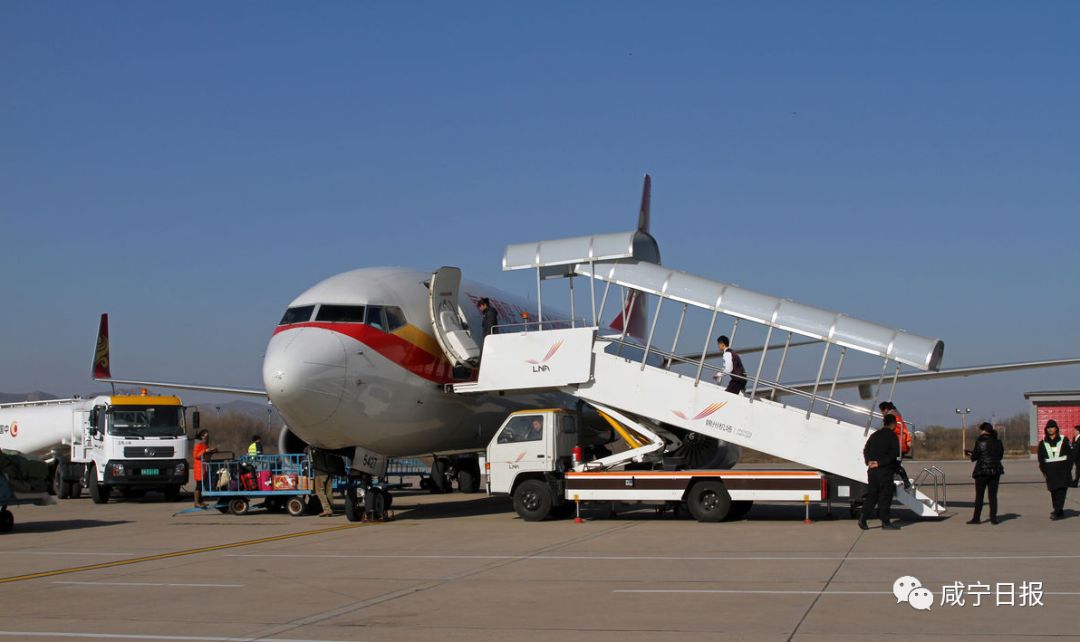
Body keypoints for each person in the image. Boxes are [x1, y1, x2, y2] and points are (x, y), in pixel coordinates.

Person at [860, 414, 901, 530]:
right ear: (893, 424)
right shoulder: (892, 437)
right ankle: (885, 522)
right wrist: (880, 463)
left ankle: (863, 518)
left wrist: (868, 461)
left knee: (872, 495)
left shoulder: (874, 435)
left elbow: (866, 449)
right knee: (885, 496)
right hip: (885, 471)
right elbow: (894, 454)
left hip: (872, 471)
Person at [967, 422, 1004, 524]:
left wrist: (970, 454)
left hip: (982, 471)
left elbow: (975, 456)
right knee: (993, 496)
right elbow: (1000, 456)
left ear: (983, 430)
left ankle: (976, 518)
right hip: (995, 471)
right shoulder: (998, 442)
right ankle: (993, 518)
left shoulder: (980, 441)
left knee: (979, 496)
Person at [1038, 419, 1071, 520]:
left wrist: (1068, 468)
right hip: (1050, 471)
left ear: (1056, 428)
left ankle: (1057, 511)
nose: (1050, 429)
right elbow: (1041, 458)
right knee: (1054, 491)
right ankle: (1059, 511)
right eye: (1048, 428)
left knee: (1061, 491)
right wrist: (1044, 470)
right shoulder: (1043, 443)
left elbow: (1070, 455)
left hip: (1063, 471)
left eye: (1052, 427)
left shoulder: (1064, 439)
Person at [878, 402, 912, 489]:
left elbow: (890, 430)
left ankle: (906, 482)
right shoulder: (897, 416)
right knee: (894, 465)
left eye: (882, 411)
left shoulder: (892, 418)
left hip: (898, 445)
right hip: (902, 445)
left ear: (885, 409)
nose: (881, 413)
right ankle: (902, 482)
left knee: (894, 465)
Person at [192, 429, 217, 508]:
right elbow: (196, 455)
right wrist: (205, 450)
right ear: (202, 436)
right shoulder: (198, 444)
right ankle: (196, 502)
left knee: (202, 485)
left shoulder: (204, 444)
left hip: (204, 467)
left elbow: (206, 455)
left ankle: (201, 501)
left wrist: (212, 451)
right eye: (206, 435)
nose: (207, 437)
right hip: (199, 467)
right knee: (199, 485)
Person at [310, 448, 335, 517]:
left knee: (319, 492)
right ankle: (331, 508)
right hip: (329, 472)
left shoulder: (313, 449)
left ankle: (327, 509)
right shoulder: (325, 448)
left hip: (320, 473)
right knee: (328, 492)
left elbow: (305, 450)